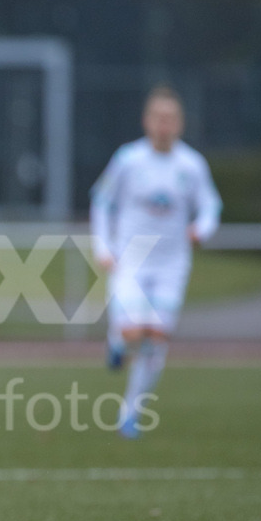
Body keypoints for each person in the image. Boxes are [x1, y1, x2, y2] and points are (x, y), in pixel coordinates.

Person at [90, 85, 221, 439]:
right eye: (158, 117)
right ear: (147, 121)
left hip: (172, 266)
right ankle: (118, 342)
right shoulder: (128, 160)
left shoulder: (191, 165)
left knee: (157, 339)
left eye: (171, 118)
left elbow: (210, 205)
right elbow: (102, 202)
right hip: (131, 261)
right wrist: (102, 246)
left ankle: (130, 413)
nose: (164, 124)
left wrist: (202, 229)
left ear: (180, 123)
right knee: (136, 332)